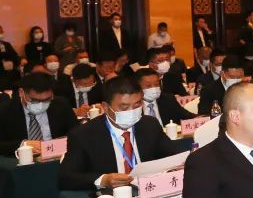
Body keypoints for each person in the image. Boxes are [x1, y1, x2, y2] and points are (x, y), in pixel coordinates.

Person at [59, 76, 188, 191]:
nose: (132, 111)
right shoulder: (83, 135)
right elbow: (65, 178)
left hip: (148, 189)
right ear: (105, 107)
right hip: (111, 196)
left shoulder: (149, 125)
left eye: (137, 105)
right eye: (124, 107)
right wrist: (103, 180)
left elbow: (173, 154)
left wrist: (180, 164)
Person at [0, 72, 77, 156]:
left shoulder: (61, 105)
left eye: (47, 100)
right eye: (35, 100)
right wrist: (22, 145)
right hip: (22, 160)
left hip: (58, 156)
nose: (41, 105)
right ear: (21, 92)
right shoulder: (5, 111)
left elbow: (76, 134)